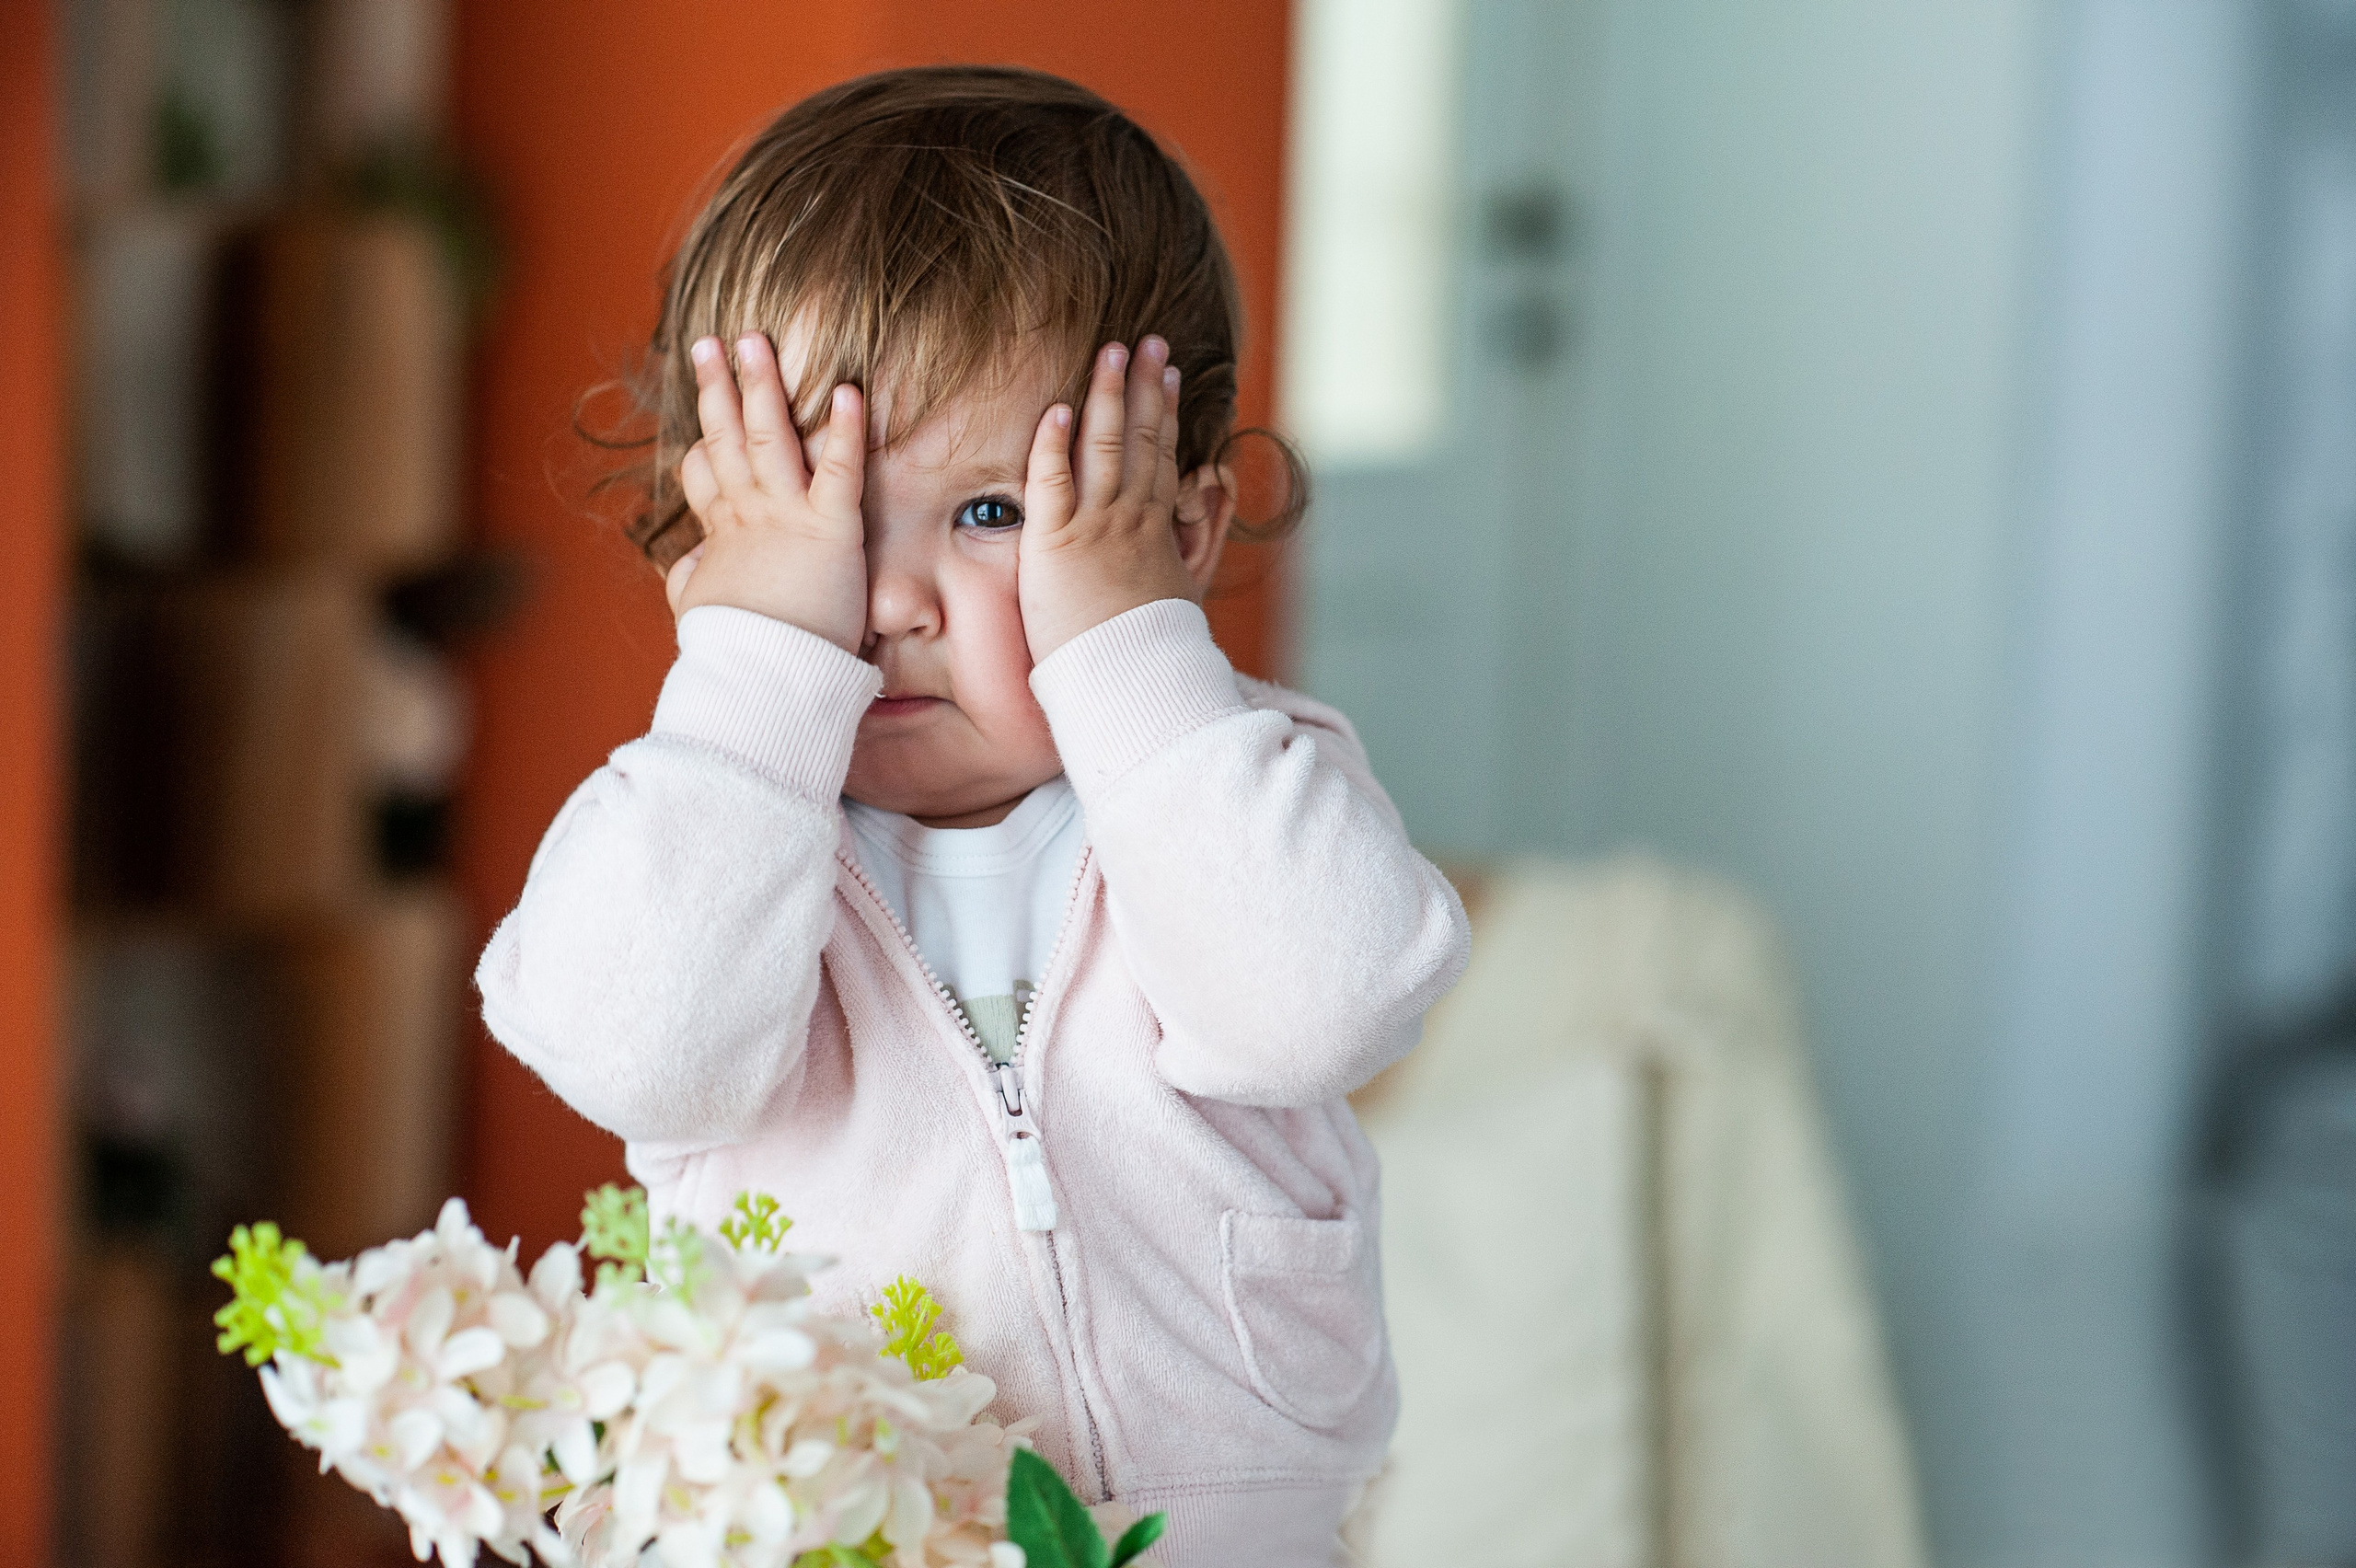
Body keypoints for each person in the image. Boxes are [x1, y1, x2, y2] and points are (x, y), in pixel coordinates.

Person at [475, 64, 1470, 1564]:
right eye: (808, 509)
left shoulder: (1233, 779)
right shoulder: (699, 833)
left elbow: (1319, 1009)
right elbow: (642, 1054)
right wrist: (752, 677)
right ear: (704, 543)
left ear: (1177, 534)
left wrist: (1129, 666)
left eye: (993, 513)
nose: (881, 598)